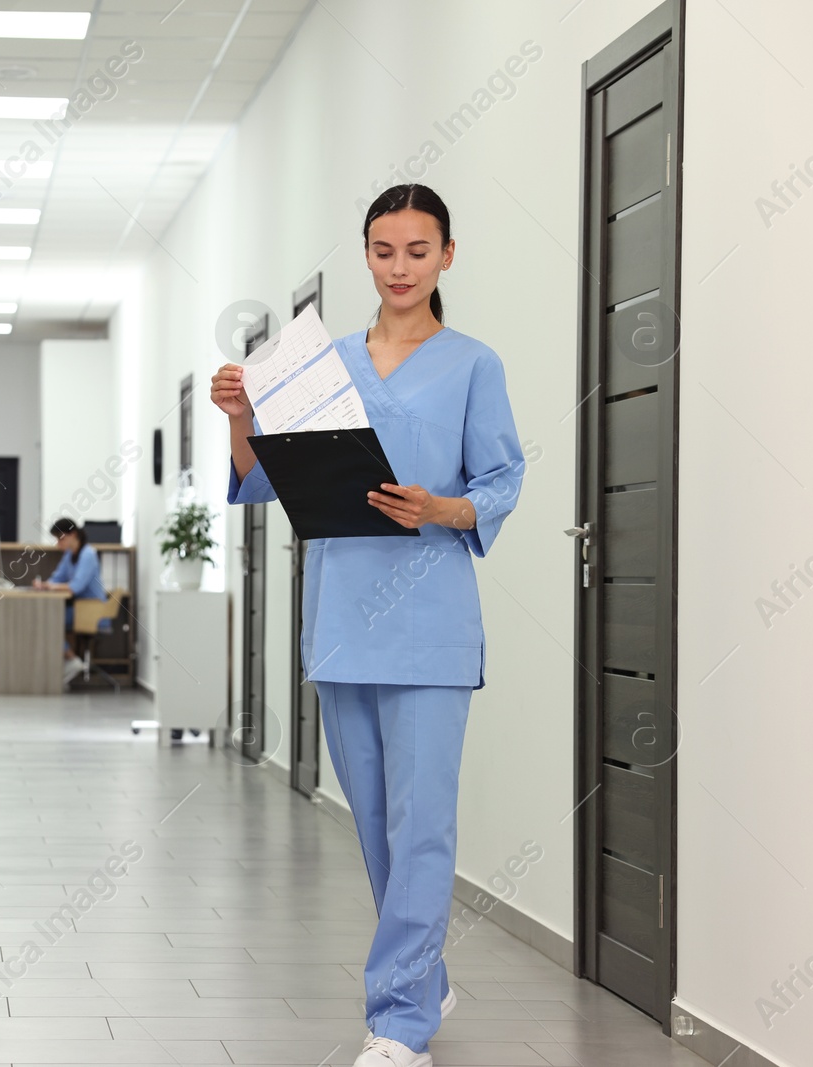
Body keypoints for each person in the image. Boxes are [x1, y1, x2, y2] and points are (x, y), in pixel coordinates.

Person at [211, 184, 523, 1067]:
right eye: (384, 251)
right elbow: (265, 479)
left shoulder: (474, 364)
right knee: (378, 823)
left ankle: (398, 1024)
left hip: (430, 623)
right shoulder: (326, 362)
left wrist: (443, 506)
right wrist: (242, 418)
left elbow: (502, 481)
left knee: (422, 825)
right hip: (344, 618)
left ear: (446, 257)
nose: (399, 268)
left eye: (418, 251)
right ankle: (421, 975)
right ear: (367, 257)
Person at [32, 517, 107, 683]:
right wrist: (44, 584)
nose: (59, 544)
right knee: (46, 617)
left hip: (92, 611)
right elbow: (57, 578)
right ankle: (68, 661)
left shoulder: (88, 554)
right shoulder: (69, 556)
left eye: (61, 538)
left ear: (73, 535)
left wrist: (50, 587)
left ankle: (71, 660)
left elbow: (76, 586)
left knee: (49, 619)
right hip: (79, 609)